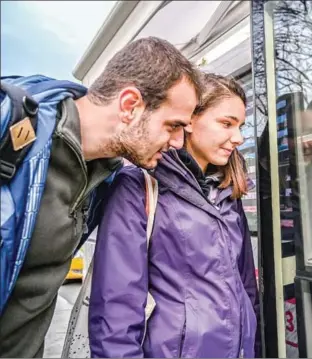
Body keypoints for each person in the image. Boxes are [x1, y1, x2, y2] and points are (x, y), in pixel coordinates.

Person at [0, 37, 201, 358]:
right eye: (172, 125)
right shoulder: (14, 134)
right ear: (129, 105)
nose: (178, 142)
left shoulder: (106, 175)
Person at [88, 73, 259, 358]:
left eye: (241, 126)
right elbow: (116, 309)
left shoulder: (229, 191)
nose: (238, 138)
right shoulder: (138, 187)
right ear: (190, 120)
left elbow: (246, 289)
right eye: (226, 124)